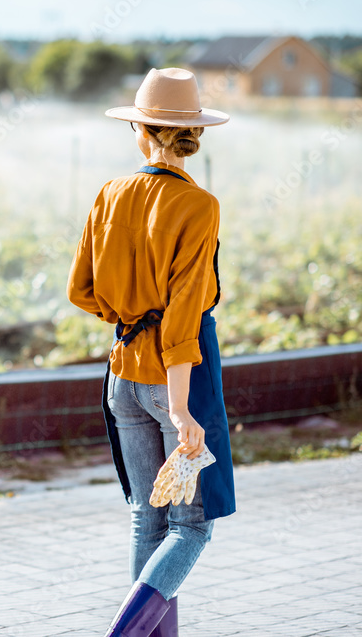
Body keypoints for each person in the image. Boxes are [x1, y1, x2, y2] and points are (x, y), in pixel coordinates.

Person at [67, 68, 237, 637]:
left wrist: (130, 314)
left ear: (141, 132)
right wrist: (184, 409)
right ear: (194, 135)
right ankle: (125, 633)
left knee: (148, 517)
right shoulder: (200, 206)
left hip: (121, 375)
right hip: (175, 381)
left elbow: (81, 291)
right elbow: (185, 319)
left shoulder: (110, 194)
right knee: (191, 528)